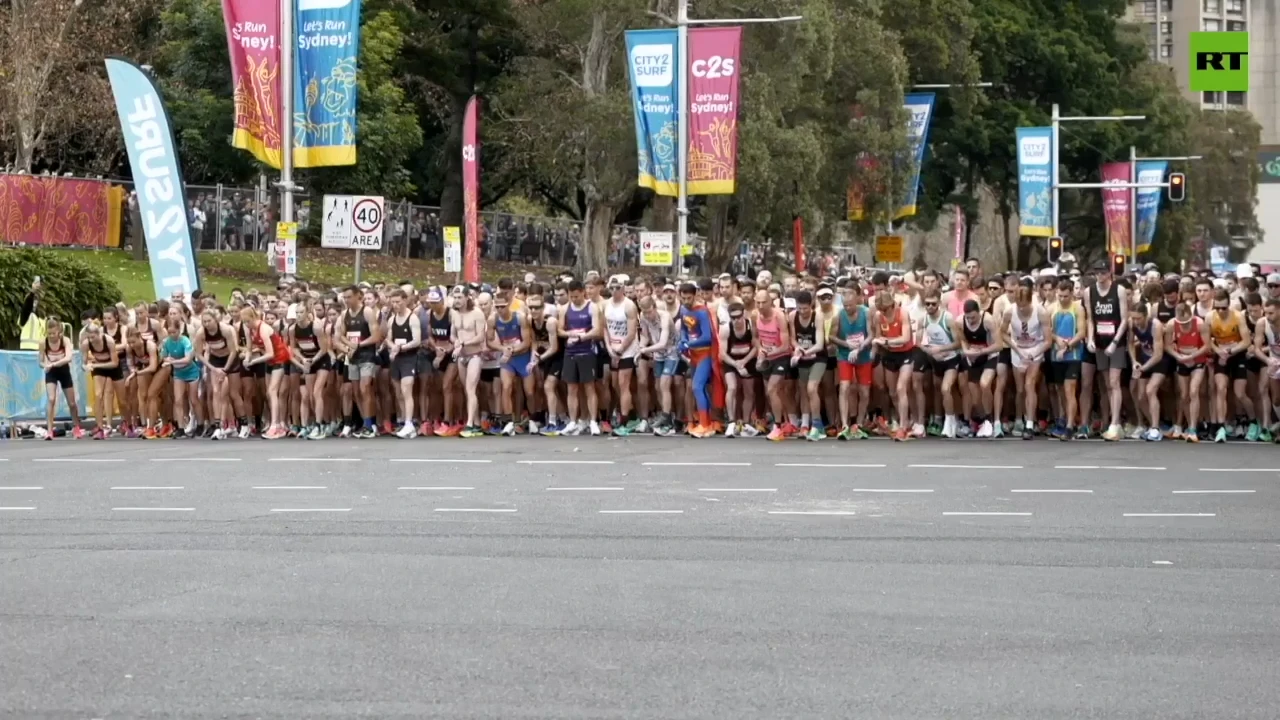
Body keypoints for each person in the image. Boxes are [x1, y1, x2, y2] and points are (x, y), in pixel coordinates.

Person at [558, 279, 601, 436]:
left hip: (586, 352)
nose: (574, 299)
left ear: (583, 292)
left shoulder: (592, 307)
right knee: (572, 388)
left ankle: (593, 421)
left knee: (589, 387)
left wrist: (582, 337)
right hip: (570, 352)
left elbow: (597, 330)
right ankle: (572, 421)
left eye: (576, 296)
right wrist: (569, 334)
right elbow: (560, 330)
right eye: (571, 296)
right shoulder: (565, 309)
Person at [38, 317, 83, 439]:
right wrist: (46, 365)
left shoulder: (65, 341)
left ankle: (76, 426)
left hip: (63, 371)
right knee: (51, 399)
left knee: (72, 403)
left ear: (59, 331)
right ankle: (49, 430)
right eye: (49, 333)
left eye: (54, 333)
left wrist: (53, 364)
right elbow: (40, 361)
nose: (52, 336)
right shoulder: (43, 342)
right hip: (51, 372)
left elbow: (68, 358)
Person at [160, 318, 201, 438]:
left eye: (174, 332)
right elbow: (163, 357)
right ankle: (181, 427)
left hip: (191, 372)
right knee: (178, 400)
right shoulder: (167, 342)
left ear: (179, 330)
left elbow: (188, 359)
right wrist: (168, 360)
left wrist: (173, 361)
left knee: (193, 399)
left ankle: (200, 424)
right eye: (169, 332)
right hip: (179, 373)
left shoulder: (185, 341)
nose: (172, 335)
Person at [81, 321, 121, 440]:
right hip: (98, 367)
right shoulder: (86, 343)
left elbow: (115, 363)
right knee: (98, 395)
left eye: (93, 337)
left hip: (111, 366)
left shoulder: (108, 341)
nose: (91, 340)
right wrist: (85, 366)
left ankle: (125, 424)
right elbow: (83, 362)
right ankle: (100, 427)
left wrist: (97, 365)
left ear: (98, 334)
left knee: (120, 398)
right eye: (89, 337)